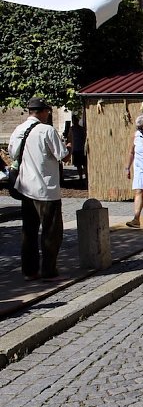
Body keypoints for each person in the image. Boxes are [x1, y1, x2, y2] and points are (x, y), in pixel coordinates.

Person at [9, 97, 70, 281]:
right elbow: (63, 156)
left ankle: (30, 271)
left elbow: (12, 154)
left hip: (26, 188)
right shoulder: (47, 130)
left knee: (29, 232)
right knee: (51, 232)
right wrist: (68, 146)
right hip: (46, 189)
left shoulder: (18, 130)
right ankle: (49, 270)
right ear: (43, 111)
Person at [66, 114, 87, 181]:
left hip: (80, 148)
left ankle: (85, 176)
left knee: (83, 164)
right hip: (76, 148)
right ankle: (81, 176)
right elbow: (69, 138)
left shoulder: (80, 129)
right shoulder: (72, 129)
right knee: (79, 164)